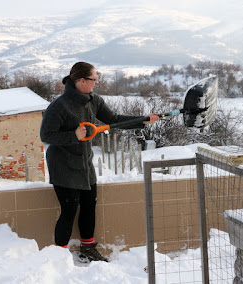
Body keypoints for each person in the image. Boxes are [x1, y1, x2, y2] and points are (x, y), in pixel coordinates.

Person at [40, 62, 159, 262]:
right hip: (63, 165)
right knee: (69, 210)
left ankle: (88, 248)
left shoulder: (94, 100)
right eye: (94, 79)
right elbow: (46, 135)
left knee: (89, 205)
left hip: (84, 163)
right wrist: (73, 135)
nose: (96, 83)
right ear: (81, 81)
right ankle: (58, 257)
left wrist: (143, 120)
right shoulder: (59, 106)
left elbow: (114, 119)